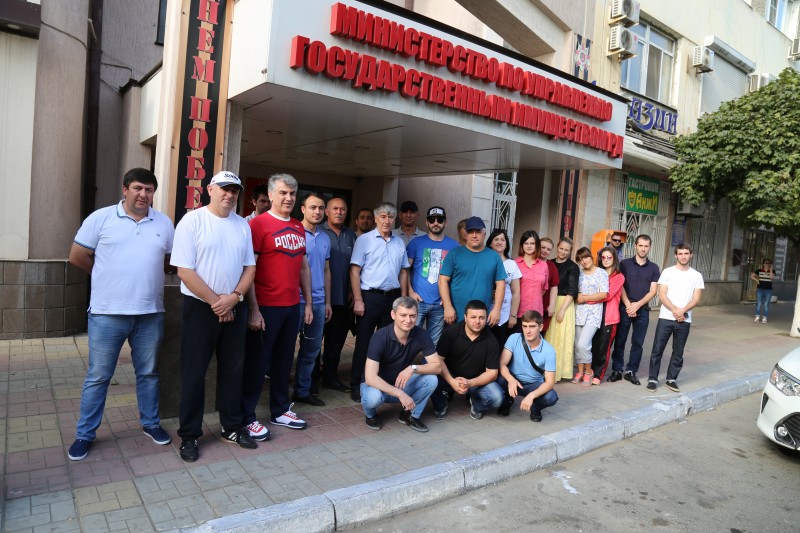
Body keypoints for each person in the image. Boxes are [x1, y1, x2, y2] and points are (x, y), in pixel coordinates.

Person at [67, 168, 175, 461]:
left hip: (150, 313)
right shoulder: (101, 218)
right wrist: (104, 274)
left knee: (148, 374)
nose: (143, 194)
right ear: (125, 189)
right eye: (138, 188)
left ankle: (151, 423)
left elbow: (168, 260)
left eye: (149, 190)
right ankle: (85, 434)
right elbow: (77, 256)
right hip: (107, 314)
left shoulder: (163, 223)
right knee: (99, 376)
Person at [170, 171, 257, 462]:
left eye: (235, 190)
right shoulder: (192, 221)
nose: (230, 195)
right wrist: (217, 303)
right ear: (210, 189)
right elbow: (184, 270)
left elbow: (250, 268)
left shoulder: (242, 225)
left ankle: (231, 427)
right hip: (200, 308)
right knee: (194, 374)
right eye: (224, 189)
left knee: (233, 371)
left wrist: (235, 298)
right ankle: (189, 435)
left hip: (234, 305)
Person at [244, 173, 313, 435]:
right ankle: (247, 415)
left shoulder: (297, 226)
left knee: (284, 362)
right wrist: (253, 309)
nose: (288, 198)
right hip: (266, 306)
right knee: (257, 364)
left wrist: (307, 303)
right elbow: (249, 269)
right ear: (271, 194)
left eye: (292, 193)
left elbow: (303, 267)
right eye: (283, 193)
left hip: (291, 305)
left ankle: (280, 410)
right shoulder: (258, 225)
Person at [350, 202, 410, 401]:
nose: (387, 221)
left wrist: (403, 300)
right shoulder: (364, 240)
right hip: (370, 298)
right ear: (376, 219)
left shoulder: (399, 243)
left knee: (388, 343)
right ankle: (358, 383)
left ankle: (382, 382)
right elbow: (355, 271)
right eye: (383, 216)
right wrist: (358, 299)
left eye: (390, 217)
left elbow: (404, 272)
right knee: (364, 343)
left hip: (392, 298)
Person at [361, 297, 442, 432]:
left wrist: (413, 368)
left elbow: (437, 367)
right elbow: (370, 377)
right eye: (403, 315)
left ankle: (410, 415)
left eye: (412, 316)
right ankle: (370, 415)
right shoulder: (380, 337)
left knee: (431, 379)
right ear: (393, 315)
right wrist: (400, 394)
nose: (408, 320)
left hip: (400, 383)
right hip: (377, 386)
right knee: (373, 398)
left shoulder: (421, 335)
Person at [431, 300, 504, 420]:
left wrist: (469, 383)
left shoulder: (492, 341)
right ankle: (441, 403)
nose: (477, 321)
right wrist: (451, 381)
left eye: (481, 318)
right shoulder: (450, 332)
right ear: (465, 317)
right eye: (473, 317)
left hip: (475, 382)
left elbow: (492, 373)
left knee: (497, 398)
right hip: (449, 377)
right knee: (427, 368)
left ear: (486, 318)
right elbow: (438, 359)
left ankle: (476, 404)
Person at [647, 243, 704, 393]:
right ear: (676, 255)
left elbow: (696, 299)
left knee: (678, 352)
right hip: (666, 318)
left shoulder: (696, 275)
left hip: (684, 320)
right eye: (680, 254)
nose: (683, 256)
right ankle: (652, 379)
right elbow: (662, 295)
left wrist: (682, 311)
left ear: (691, 255)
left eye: (686, 253)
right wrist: (675, 310)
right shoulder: (667, 272)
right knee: (657, 349)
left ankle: (671, 379)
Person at [293, 193, 332, 406]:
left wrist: (327, 302)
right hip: (294, 301)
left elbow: (326, 270)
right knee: (285, 350)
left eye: (321, 208)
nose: (317, 212)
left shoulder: (325, 238)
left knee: (311, 351)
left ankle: (302, 391)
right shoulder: (294, 232)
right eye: (313, 207)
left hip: (318, 302)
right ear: (303, 209)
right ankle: (278, 396)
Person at [607, 234, 660, 386]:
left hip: (643, 310)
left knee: (638, 342)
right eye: (640, 245)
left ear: (649, 247)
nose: (643, 249)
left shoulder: (654, 268)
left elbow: (653, 291)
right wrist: (628, 305)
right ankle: (617, 370)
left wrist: (637, 305)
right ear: (635, 246)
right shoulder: (624, 264)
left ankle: (631, 371)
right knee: (620, 340)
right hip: (624, 308)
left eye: (646, 246)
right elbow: (620, 285)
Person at [406, 206, 459, 345]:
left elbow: (457, 275)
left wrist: (448, 299)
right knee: (409, 340)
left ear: (445, 223)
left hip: (440, 305)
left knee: (433, 345)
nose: (436, 223)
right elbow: (405, 270)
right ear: (426, 222)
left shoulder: (454, 246)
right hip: (418, 302)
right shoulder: (416, 243)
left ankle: (429, 361)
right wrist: (410, 292)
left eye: (440, 220)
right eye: (432, 220)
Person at [439, 216, 505, 327]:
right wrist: (447, 306)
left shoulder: (494, 257)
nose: (474, 235)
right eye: (470, 232)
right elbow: (442, 281)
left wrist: (497, 309)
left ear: (484, 234)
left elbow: (501, 284)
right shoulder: (454, 254)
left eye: (478, 232)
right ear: (466, 234)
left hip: (481, 318)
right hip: (456, 316)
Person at [319, 197, 356, 392]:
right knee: (314, 343)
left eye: (343, 209)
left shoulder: (351, 235)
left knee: (336, 342)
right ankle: (311, 381)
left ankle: (330, 378)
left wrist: (352, 292)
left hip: (342, 300)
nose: (339, 212)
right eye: (335, 209)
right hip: (319, 299)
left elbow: (356, 267)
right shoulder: (318, 232)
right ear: (327, 211)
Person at [497, 310, 559, 422]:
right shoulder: (514, 338)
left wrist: (532, 395)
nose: (528, 331)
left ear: (540, 327)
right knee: (499, 377)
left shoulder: (549, 350)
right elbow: (502, 364)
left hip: (533, 384)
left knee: (551, 397)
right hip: (514, 380)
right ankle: (507, 400)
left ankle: (535, 407)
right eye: (525, 326)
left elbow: (550, 382)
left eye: (532, 326)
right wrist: (511, 380)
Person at [572, 247, 608, 386]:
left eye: (586, 257)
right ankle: (580, 372)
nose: (584, 261)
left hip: (593, 313)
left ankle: (589, 372)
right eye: (580, 259)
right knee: (577, 345)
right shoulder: (579, 273)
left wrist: (585, 298)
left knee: (584, 344)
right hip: (579, 312)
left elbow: (603, 294)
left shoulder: (601, 273)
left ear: (591, 257)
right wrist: (577, 296)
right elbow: (575, 291)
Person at [545, 238, 579, 382]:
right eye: (561, 248)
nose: (563, 252)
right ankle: (546, 370)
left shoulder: (573, 267)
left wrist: (562, 310)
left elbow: (572, 290)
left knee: (561, 338)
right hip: (550, 301)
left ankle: (558, 372)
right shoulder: (549, 263)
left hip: (564, 303)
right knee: (549, 337)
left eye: (566, 250)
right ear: (557, 247)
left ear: (570, 252)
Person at [589, 247, 625, 384]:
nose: (606, 260)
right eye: (603, 257)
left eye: (609, 257)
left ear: (614, 259)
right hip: (594, 313)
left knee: (604, 347)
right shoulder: (597, 274)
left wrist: (586, 298)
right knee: (592, 344)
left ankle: (598, 374)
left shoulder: (619, 277)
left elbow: (607, 296)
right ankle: (589, 371)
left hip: (609, 316)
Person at [486, 228, 521, 348]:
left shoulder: (512, 264)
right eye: (496, 239)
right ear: (490, 243)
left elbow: (516, 292)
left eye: (502, 239)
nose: (499, 242)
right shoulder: (484, 261)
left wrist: (513, 316)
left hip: (504, 314)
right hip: (483, 311)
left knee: (498, 346)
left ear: (506, 244)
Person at [515, 230, 550, 318]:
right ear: (522, 245)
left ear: (537, 245)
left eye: (532, 243)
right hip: (518, 312)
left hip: (536, 313)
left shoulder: (544, 265)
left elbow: (544, 289)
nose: (529, 246)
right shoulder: (515, 264)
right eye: (526, 243)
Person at [538, 237, 560, 333]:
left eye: (548, 249)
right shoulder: (530, 262)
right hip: (527, 303)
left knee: (540, 332)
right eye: (543, 247)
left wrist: (552, 305)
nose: (545, 251)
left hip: (544, 304)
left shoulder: (551, 265)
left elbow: (554, 286)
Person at [752, 258, 774, 324]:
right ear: (763, 264)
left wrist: (771, 268)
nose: (767, 264)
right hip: (760, 289)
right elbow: (752, 276)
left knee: (766, 304)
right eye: (766, 263)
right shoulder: (759, 270)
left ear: (770, 264)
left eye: (768, 263)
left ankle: (764, 317)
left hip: (768, 290)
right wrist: (757, 280)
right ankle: (757, 317)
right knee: (759, 303)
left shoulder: (772, 271)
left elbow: (771, 278)